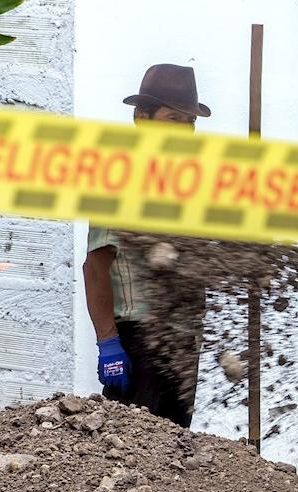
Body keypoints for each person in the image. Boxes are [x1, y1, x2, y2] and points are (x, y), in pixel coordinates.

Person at [82, 64, 211, 427]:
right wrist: (108, 344)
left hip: (184, 335)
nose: (183, 130)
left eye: (190, 121)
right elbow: (95, 267)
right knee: (132, 446)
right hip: (140, 336)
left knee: (174, 447)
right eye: (173, 117)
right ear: (142, 116)